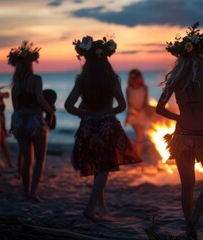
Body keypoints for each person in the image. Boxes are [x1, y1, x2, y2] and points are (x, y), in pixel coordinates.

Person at [156, 22, 203, 239]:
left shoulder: (175, 80)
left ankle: (191, 231)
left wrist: (180, 116)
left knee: (187, 186)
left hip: (182, 136)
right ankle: (194, 218)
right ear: (201, 56)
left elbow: (160, 109)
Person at [65, 35, 141, 222]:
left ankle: (101, 205)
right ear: (106, 59)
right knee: (105, 166)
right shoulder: (112, 78)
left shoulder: (82, 80)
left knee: (98, 166)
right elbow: (123, 106)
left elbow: (68, 105)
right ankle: (90, 208)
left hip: (89, 126)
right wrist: (109, 112)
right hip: (107, 126)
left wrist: (84, 114)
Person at [8, 41, 55, 202]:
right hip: (35, 121)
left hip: (20, 120)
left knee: (27, 159)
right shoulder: (36, 79)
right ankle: (33, 193)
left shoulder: (15, 86)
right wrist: (51, 113)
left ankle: (25, 191)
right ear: (30, 64)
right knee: (40, 158)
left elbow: (15, 108)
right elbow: (41, 100)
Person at [124, 69, 149, 158]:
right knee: (139, 135)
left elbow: (145, 101)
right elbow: (128, 102)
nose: (133, 79)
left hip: (142, 113)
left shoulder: (145, 87)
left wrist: (142, 109)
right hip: (133, 113)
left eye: (135, 76)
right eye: (131, 77)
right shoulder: (128, 88)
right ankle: (136, 157)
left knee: (140, 137)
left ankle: (135, 156)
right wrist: (136, 109)